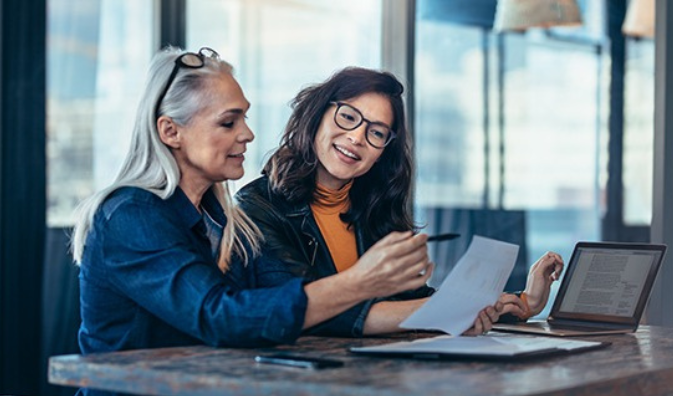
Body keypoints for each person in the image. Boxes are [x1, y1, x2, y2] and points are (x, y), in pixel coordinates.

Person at [66, 48, 433, 396]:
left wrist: (451, 312)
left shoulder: (226, 223)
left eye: (244, 117)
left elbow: (295, 304)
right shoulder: (129, 216)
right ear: (171, 131)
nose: (247, 134)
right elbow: (220, 316)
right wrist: (362, 282)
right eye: (229, 121)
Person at [236, 67, 564, 336]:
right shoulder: (256, 208)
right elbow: (312, 310)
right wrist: (452, 311)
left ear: (382, 153)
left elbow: (411, 301)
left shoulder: (373, 209)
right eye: (348, 117)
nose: (357, 138)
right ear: (317, 115)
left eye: (376, 132)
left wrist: (522, 302)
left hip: (374, 376)